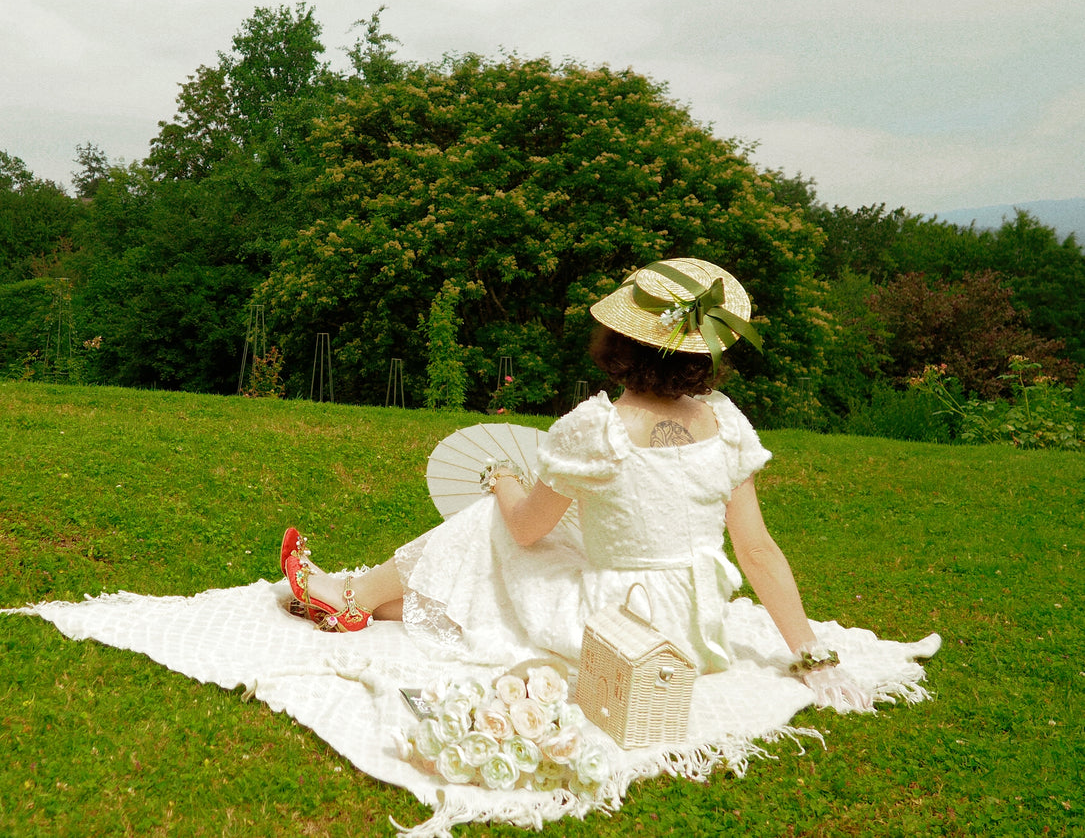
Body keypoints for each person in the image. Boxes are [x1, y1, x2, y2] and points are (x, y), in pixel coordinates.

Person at [281, 257, 869, 707]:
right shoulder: (725, 421)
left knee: (490, 522)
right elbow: (757, 549)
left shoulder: (598, 429)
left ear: (618, 344)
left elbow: (525, 531)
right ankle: (365, 599)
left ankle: (350, 597)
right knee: (539, 547)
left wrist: (504, 480)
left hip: (616, 626)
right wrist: (813, 657)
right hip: (693, 629)